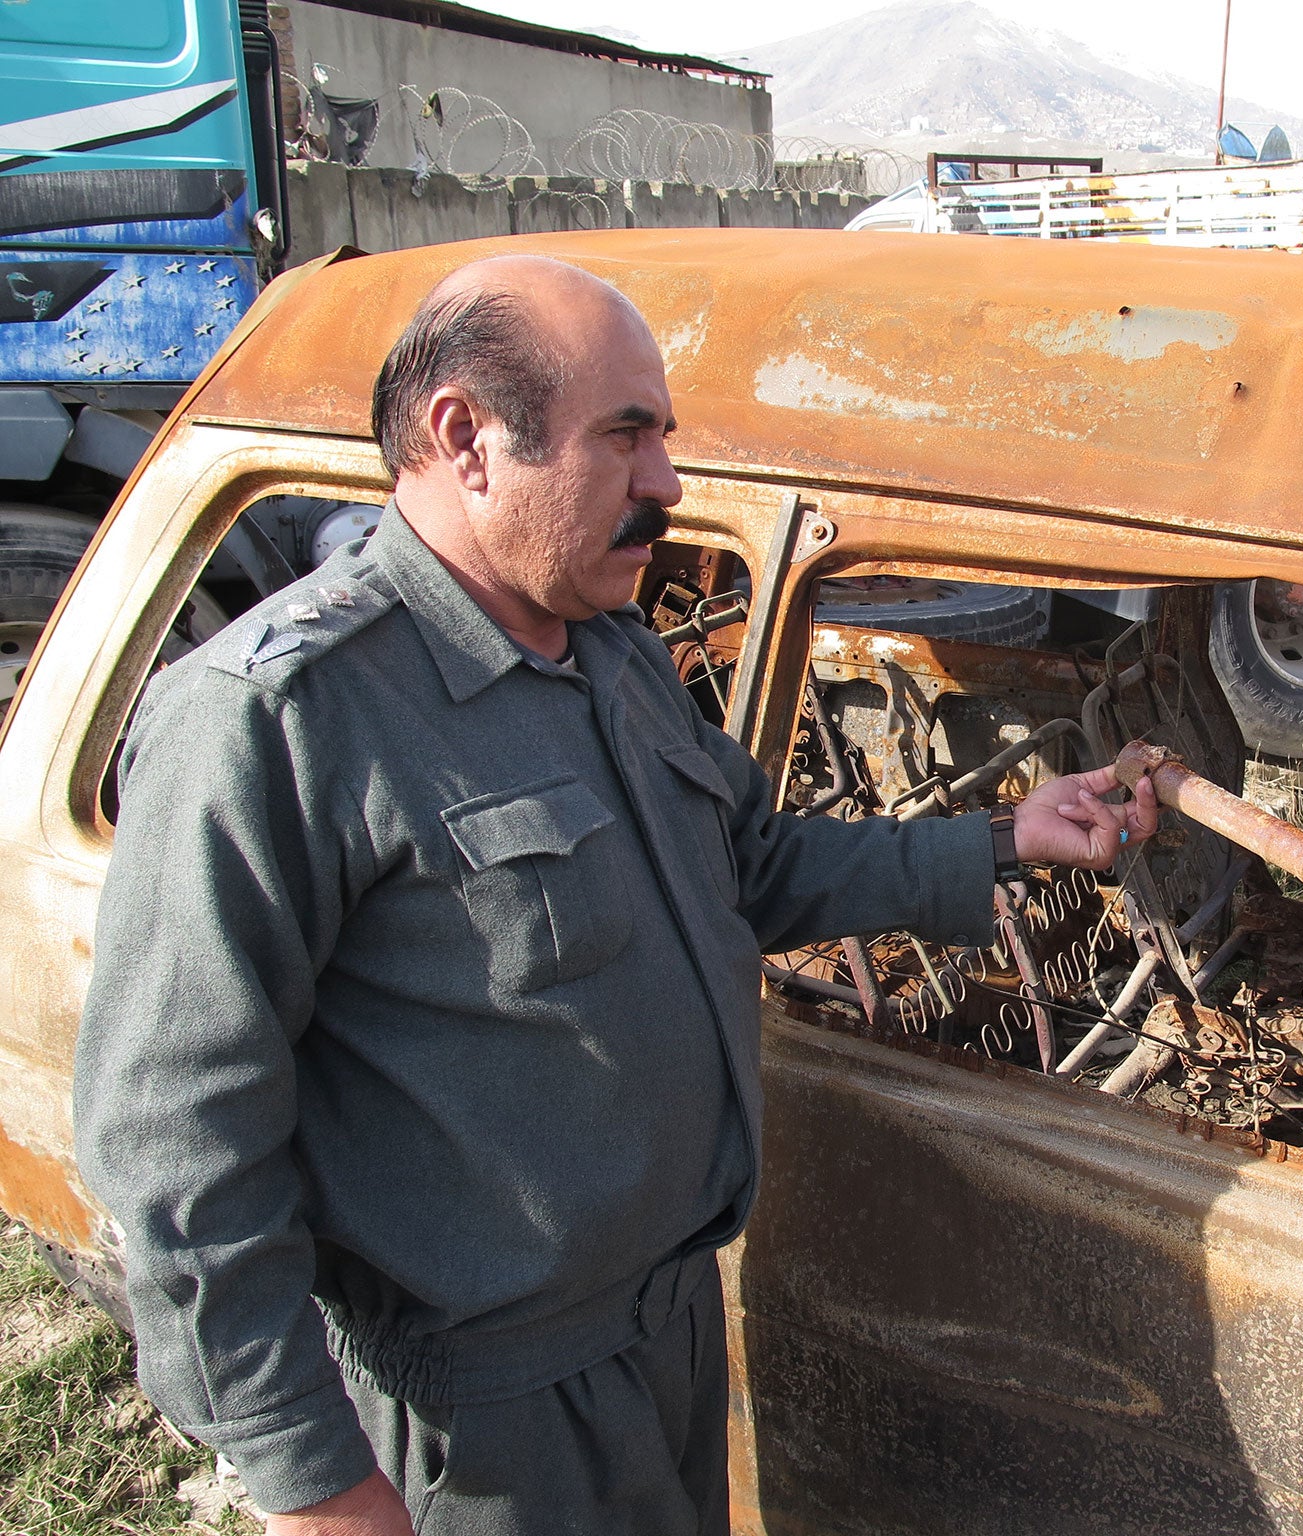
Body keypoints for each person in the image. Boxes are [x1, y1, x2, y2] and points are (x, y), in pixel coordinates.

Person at [73, 254, 1157, 1536]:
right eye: (626, 437)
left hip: (667, 1340)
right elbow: (175, 1147)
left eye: (665, 437)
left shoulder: (611, 656)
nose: (668, 485)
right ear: (466, 439)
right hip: (484, 1425)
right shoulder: (279, 723)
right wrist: (312, 1481)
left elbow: (746, 868)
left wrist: (995, 842)